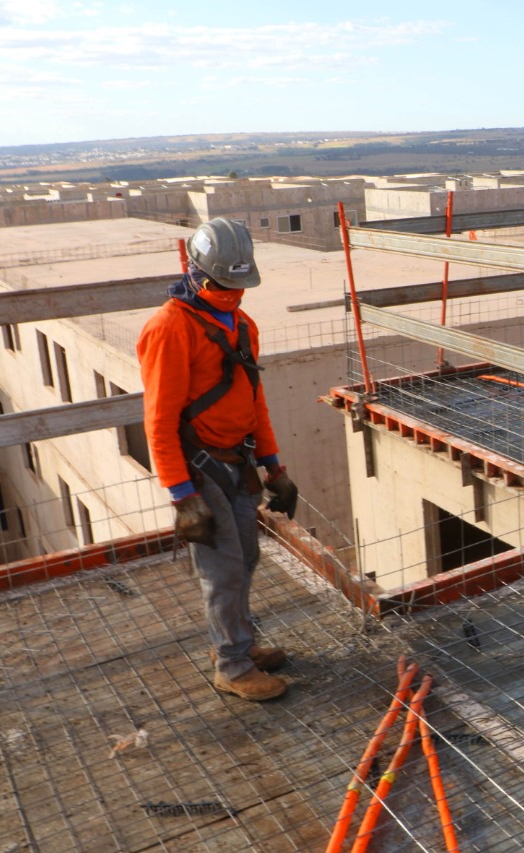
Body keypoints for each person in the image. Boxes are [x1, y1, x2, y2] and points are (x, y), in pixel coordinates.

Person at [138, 217, 300, 702]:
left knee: (245, 557)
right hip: (198, 466)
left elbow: (255, 401)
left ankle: (235, 644)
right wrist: (182, 495)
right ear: (197, 274)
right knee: (223, 568)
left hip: (239, 461)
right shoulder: (169, 328)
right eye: (222, 285)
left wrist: (275, 466)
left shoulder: (242, 325)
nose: (231, 294)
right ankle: (231, 664)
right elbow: (159, 420)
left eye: (238, 286)